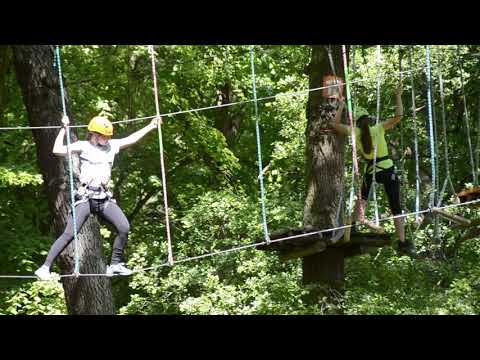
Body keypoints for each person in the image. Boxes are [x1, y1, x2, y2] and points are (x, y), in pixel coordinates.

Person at [34, 115, 162, 280]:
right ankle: (44, 268)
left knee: (124, 227)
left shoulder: (112, 145)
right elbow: (57, 150)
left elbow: (131, 139)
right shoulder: (83, 146)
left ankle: (115, 264)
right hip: (86, 198)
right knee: (69, 234)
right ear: (94, 134)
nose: (107, 138)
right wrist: (63, 130)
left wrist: (151, 126)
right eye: (104, 135)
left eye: (108, 135)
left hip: (103, 198)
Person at [329, 84, 415, 255]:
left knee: (362, 200)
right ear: (369, 120)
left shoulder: (355, 132)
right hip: (387, 169)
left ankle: (351, 226)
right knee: (395, 205)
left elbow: (334, 124)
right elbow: (399, 116)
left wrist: (341, 106)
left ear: (357, 122)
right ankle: (403, 242)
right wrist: (398, 95)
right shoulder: (379, 128)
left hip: (371, 171)